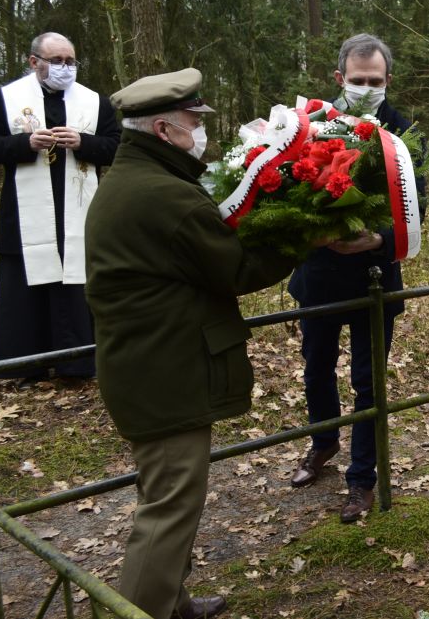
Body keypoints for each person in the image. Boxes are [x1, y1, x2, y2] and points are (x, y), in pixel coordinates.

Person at [85, 69, 297, 619]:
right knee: (169, 508)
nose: (200, 132)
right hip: (164, 371)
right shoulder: (164, 196)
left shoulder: (135, 178)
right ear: (162, 128)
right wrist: (302, 233)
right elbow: (237, 268)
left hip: (148, 364)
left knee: (169, 498)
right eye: (192, 124)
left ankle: (172, 604)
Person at [288, 33, 425, 523]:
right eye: (358, 80)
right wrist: (313, 232)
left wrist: (379, 241)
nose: (367, 88)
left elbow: (417, 209)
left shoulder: (404, 133)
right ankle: (322, 444)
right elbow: (288, 195)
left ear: (388, 80)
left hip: (373, 279)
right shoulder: (312, 125)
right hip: (320, 277)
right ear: (339, 78)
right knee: (316, 368)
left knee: (369, 384)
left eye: (376, 80)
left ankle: (362, 478)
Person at [0, 32, 120, 382]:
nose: (65, 68)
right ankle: (25, 367)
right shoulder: (5, 99)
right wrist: (24, 143)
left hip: (80, 211)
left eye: (70, 61)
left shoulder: (94, 101)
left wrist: (84, 142)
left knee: (75, 286)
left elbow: (116, 146)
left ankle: (78, 364)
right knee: (26, 289)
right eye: (57, 61)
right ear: (33, 61)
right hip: (26, 216)